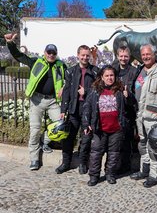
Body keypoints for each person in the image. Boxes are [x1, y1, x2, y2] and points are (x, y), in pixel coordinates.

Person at [4, 33, 67, 170]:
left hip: (53, 101)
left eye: (53, 53)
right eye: (48, 52)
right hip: (36, 100)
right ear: (45, 53)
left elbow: (71, 78)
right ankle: (34, 159)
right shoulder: (36, 62)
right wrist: (10, 43)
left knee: (61, 125)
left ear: (56, 54)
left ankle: (45, 141)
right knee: (35, 130)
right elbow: (19, 56)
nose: (51, 55)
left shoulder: (61, 66)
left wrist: (64, 87)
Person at [130, 44, 157, 188]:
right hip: (141, 117)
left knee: (154, 147)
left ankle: (154, 176)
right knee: (142, 145)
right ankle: (144, 170)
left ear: (154, 54)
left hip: (154, 117)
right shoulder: (141, 71)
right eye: (143, 55)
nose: (146, 57)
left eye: (148, 54)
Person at [55, 45, 99, 175]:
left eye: (87, 55)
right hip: (74, 109)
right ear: (78, 55)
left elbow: (98, 90)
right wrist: (63, 110)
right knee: (68, 138)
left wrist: (86, 92)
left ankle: (82, 163)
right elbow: (66, 91)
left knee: (85, 139)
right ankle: (65, 163)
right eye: (83, 55)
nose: (85, 57)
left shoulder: (95, 71)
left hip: (88, 111)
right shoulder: (70, 71)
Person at [82, 65, 128, 186]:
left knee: (113, 154)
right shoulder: (95, 90)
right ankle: (94, 176)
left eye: (111, 75)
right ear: (102, 77)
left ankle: (110, 174)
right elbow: (87, 107)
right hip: (99, 128)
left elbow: (129, 106)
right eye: (106, 75)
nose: (109, 78)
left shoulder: (120, 90)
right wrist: (86, 123)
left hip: (116, 128)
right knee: (96, 153)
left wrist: (128, 96)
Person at [112, 46, 140, 174]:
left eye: (126, 56)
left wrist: (129, 96)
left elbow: (138, 92)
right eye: (121, 56)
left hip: (128, 110)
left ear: (129, 57)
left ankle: (125, 165)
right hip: (114, 110)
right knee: (115, 140)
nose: (123, 59)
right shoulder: (113, 70)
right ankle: (113, 165)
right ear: (117, 56)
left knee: (127, 140)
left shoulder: (134, 71)